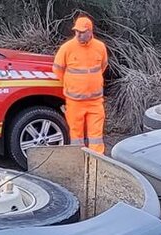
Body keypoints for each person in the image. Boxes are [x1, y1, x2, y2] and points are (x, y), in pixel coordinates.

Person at [53, 15, 109, 154]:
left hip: (95, 101)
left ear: (90, 31)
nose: (79, 34)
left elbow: (103, 66)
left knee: (96, 137)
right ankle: (78, 162)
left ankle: (96, 163)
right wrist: (71, 85)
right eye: (76, 31)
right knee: (76, 136)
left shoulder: (100, 47)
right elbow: (57, 69)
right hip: (74, 101)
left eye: (82, 32)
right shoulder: (67, 48)